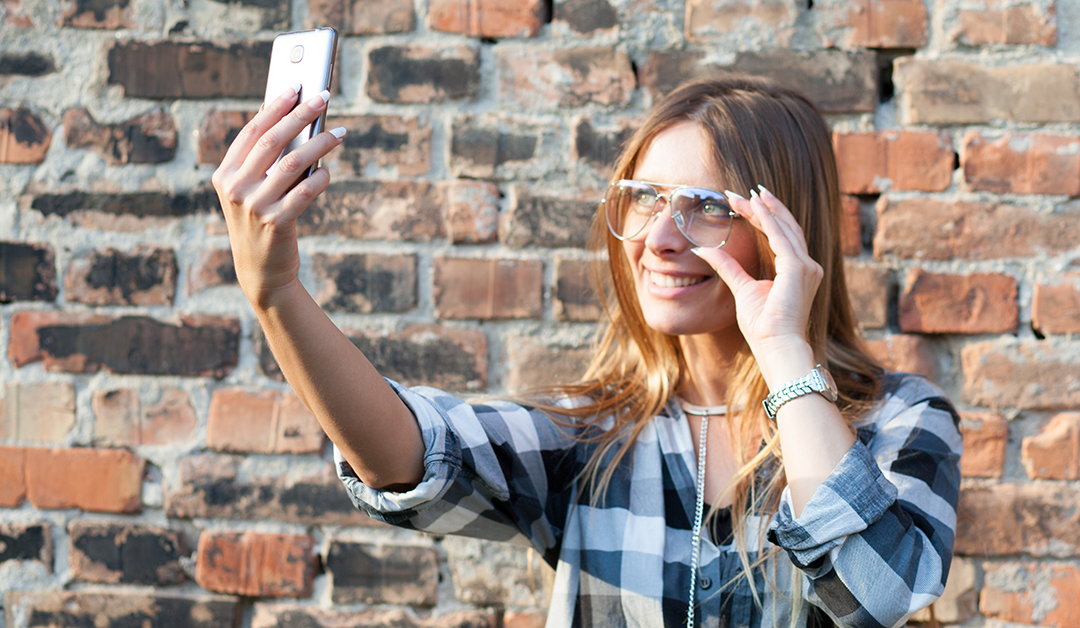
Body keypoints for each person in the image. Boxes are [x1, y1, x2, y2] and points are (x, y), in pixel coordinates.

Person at [212, 75, 962, 628]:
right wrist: (277, 293)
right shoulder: (595, 433)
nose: (660, 239)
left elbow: (877, 594)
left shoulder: (899, 421)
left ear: (784, 230)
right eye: (645, 198)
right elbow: (408, 458)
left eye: (705, 208)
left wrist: (783, 351)